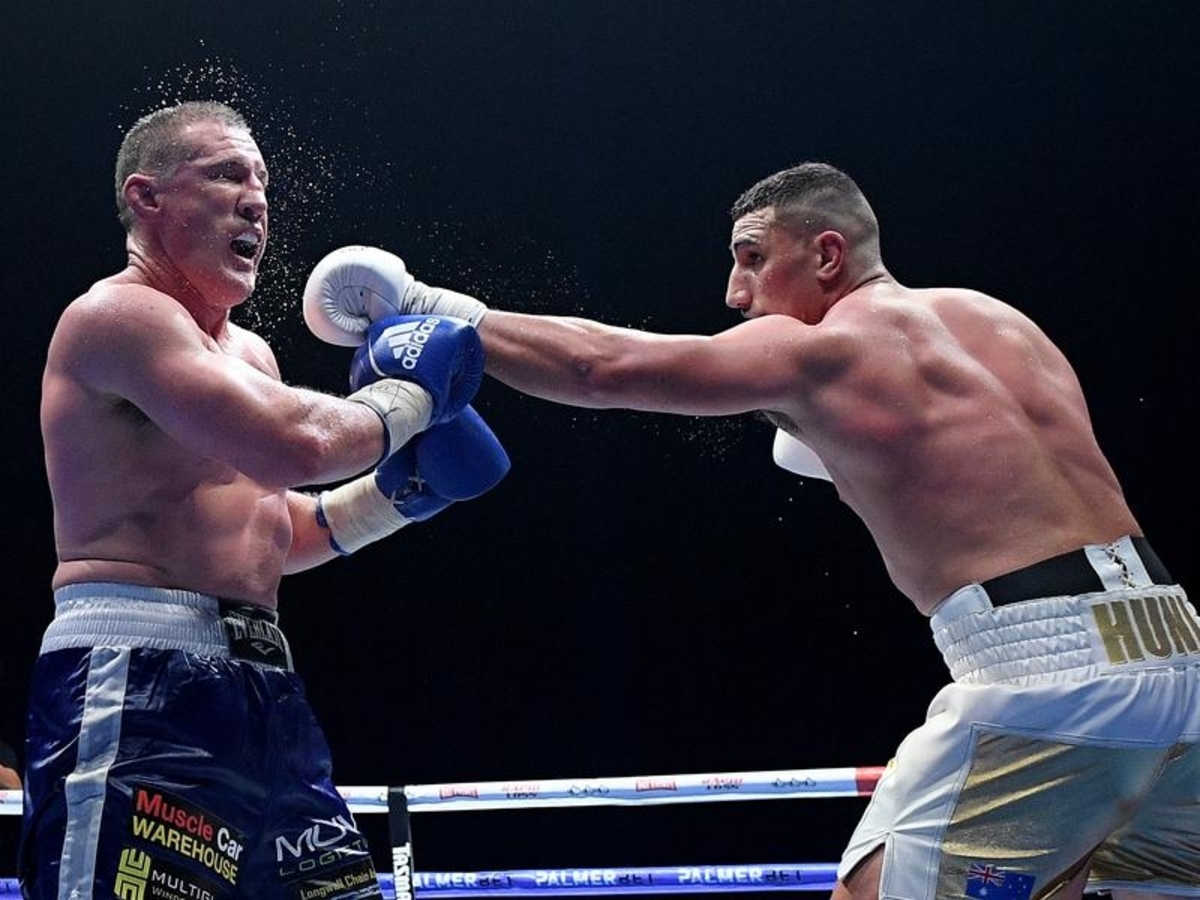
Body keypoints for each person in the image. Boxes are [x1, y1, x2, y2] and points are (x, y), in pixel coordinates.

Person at [303, 162, 1199, 900]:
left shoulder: (828, 351)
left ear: (827, 253)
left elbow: (602, 366)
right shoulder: (1000, 321)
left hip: (1045, 682)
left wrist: (430, 305)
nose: (735, 293)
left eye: (752, 259)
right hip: (1179, 654)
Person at [22, 101, 509, 900]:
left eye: (262, 183)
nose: (255, 200)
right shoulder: (116, 317)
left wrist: (399, 496)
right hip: (136, 680)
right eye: (226, 175)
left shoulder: (250, 354)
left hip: (262, 691)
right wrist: (413, 398)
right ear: (147, 197)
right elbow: (298, 445)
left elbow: (273, 526)